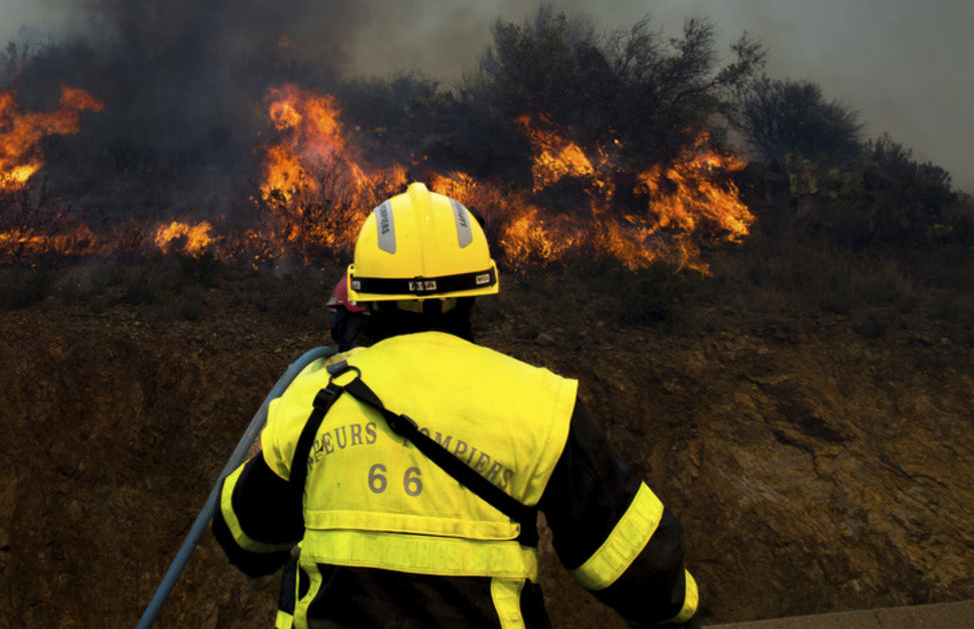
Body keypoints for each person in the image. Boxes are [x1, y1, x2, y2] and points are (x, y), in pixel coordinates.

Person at [213, 182, 699, 628]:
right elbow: (640, 571)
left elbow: (246, 541)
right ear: (477, 290)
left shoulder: (316, 397)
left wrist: (268, 448)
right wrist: (687, 609)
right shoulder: (540, 404)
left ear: (363, 295)